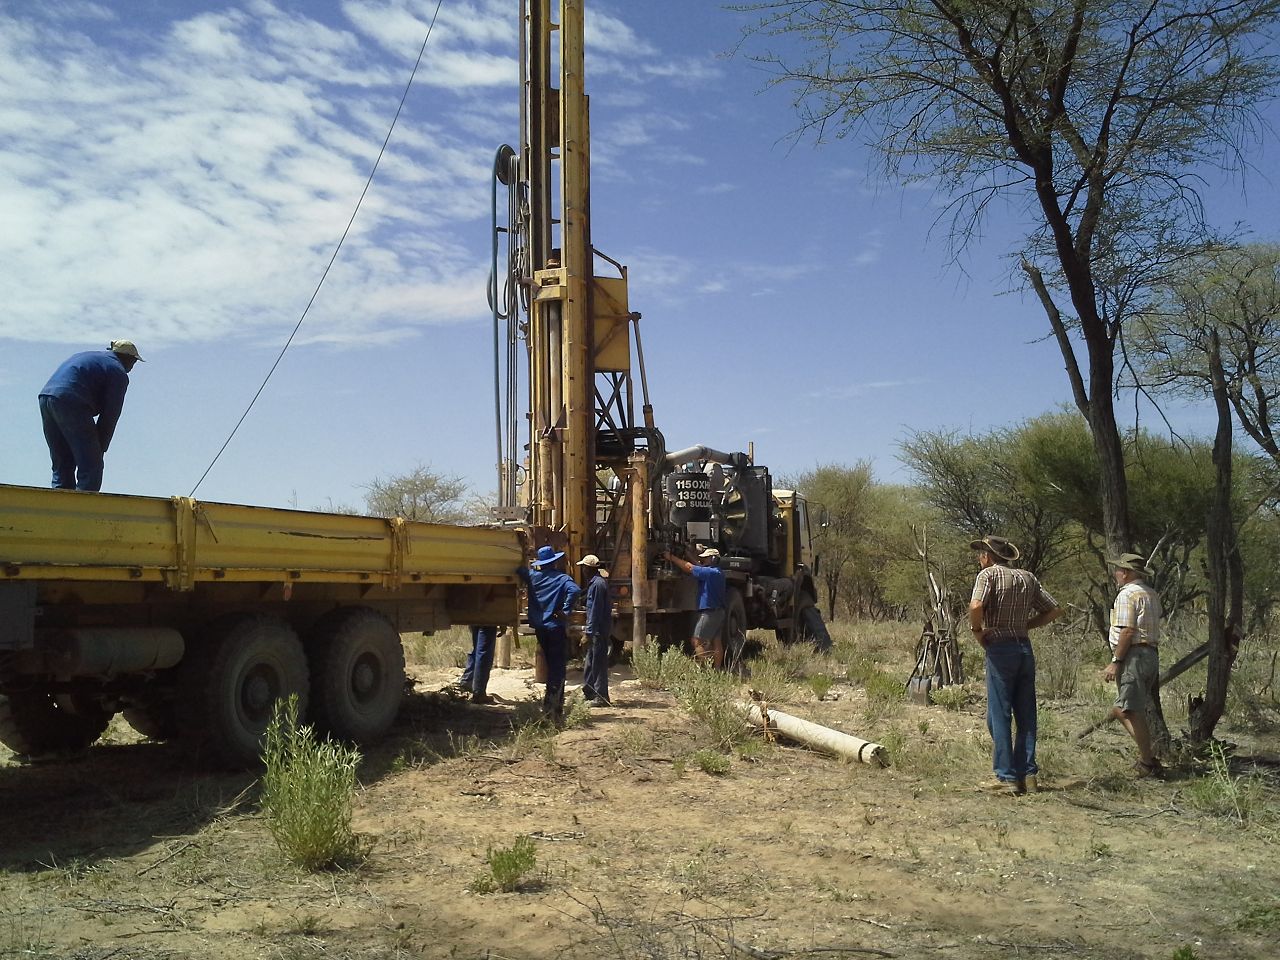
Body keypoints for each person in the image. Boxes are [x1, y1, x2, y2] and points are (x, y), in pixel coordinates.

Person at [968, 535, 1064, 795]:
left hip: (1000, 648)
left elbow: (976, 605)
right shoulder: (1027, 577)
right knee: (1026, 714)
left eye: (981, 554)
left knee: (999, 713)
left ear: (988, 556)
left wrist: (977, 630)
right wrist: (1025, 626)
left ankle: (1006, 777)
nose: (980, 558)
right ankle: (1028, 775)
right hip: (1024, 648)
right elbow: (1055, 609)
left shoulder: (987, 576)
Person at [38, 340, 144, 492]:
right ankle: (83, 510)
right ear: (128, 358)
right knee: (91, 465)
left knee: (62, 460)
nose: (131, 368)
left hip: (46, 397)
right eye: (133, 362)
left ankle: (60, 507)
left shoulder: (88, 356)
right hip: (72, 400)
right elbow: (110, 414)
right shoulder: (118, 372)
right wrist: (100, 447)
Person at [1103, 552, 1163, 778]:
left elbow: (1128, 630)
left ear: (1126, 572)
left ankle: (1148, 761)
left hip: (1134, 656)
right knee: (1132, 709)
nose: (1116, 573)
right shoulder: (1151, 593)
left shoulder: (1127, 595)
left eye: (1118, 570)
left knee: (1124, 709)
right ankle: (1148, 758)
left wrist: (1116, 661)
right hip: (1150, 655)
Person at [516, 545, 581, 723]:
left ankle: (550, 706)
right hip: (555, 626)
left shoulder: (533, 577)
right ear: (554, 561)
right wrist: (566, 610)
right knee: (557, 668)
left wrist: (524, 555)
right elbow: (575, 590)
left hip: (540, 628)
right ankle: (553, 708)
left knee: (550, 665)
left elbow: (520, 570)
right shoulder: (561, 578)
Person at [662, 546, 727, 667]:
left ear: (712, 559)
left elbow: (690, 568)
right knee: (716, 641)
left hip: (709, 613)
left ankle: (706, 670)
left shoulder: (709, 573)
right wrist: (688, 554)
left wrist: (671, 557)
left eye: (706, 559)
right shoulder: (717, 572)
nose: (703, 561)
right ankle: (717, 670)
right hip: (719, 612)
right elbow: (698, 566)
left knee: (697, 641)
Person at [576, 554, 612, 706]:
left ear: (588, 568)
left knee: (598, 663)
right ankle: (589, 692)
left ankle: (601, 696)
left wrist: (588, 633)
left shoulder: (597, 585)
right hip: (597, 630)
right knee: (591, 662)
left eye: (583, 567)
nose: (582, 570)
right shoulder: (595, 583)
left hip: (598, 631)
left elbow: (595, 611)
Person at [458, 625, 498, 704]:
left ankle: (467, 683)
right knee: (484, 650)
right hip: (488, 617)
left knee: (477, 647)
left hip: (472, 614)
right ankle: (479, 693)